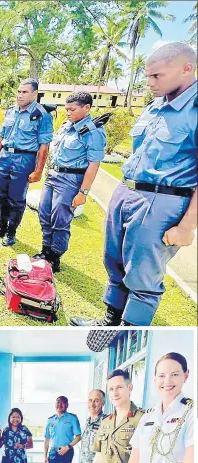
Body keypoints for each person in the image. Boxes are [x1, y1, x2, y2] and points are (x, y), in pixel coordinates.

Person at [71, 43, 197, 327]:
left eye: (157, 76)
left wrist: (187, 226)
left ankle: (129, 334)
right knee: (114, 261)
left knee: (142, 275)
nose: (150, 83)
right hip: (127, 190)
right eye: (148, 76)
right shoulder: (156, 106)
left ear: (186, 69)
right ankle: (109, 321)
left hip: (162, 200)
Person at [34, 91, 106, 272]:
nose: (68, 112)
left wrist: (83, 193)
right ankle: (45, 251)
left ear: (87, 108)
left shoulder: (93, 132)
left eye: (72, 109)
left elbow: (93, 164)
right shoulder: (67, 126)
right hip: (53, 175)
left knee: (60, 219)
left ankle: (54, 257)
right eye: (66, 109)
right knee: (44, 214)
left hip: (70, 179)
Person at [0, 79, 54, 246]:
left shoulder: (42, 115)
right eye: (19, 92)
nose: (20, 95)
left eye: (24, 92)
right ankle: (1, 227)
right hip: (5, 157)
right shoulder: (10, 111)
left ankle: (11, 232)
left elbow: (44, 146)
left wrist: (38, 171)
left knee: (16, 199)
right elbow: (1, 137)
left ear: (34, 94)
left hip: (24, 159)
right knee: (1, 196)